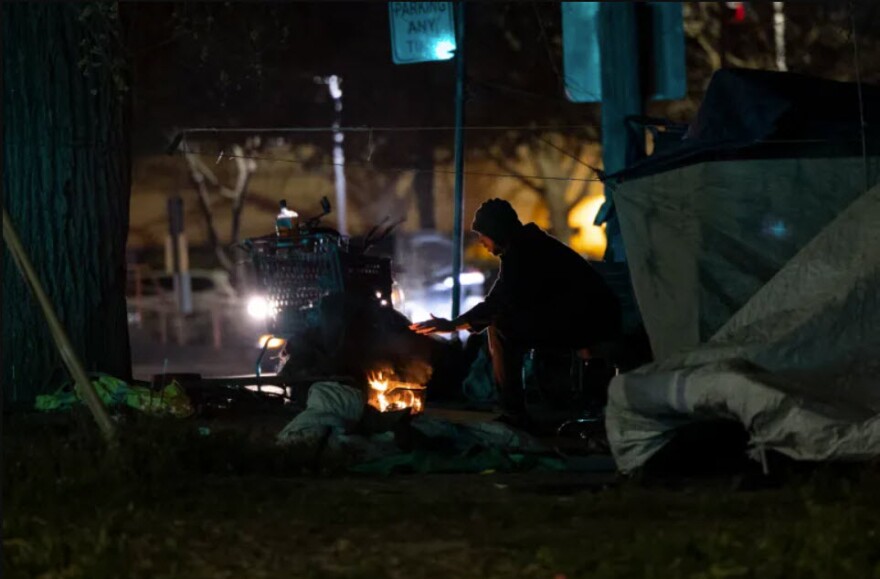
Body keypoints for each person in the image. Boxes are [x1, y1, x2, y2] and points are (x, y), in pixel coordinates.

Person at [410, 198, 621, 425]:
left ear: (496, 231)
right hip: (583, 317)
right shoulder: (524, 246)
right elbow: (498, 299)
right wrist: (457, 324)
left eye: (483, 234)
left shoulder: (525, 252)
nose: (481, 241)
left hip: (590, 321)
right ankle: (520, 406)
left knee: (501, 328)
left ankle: (513, 413)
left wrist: (453, 325)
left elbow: (500, 304)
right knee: (501, 323)